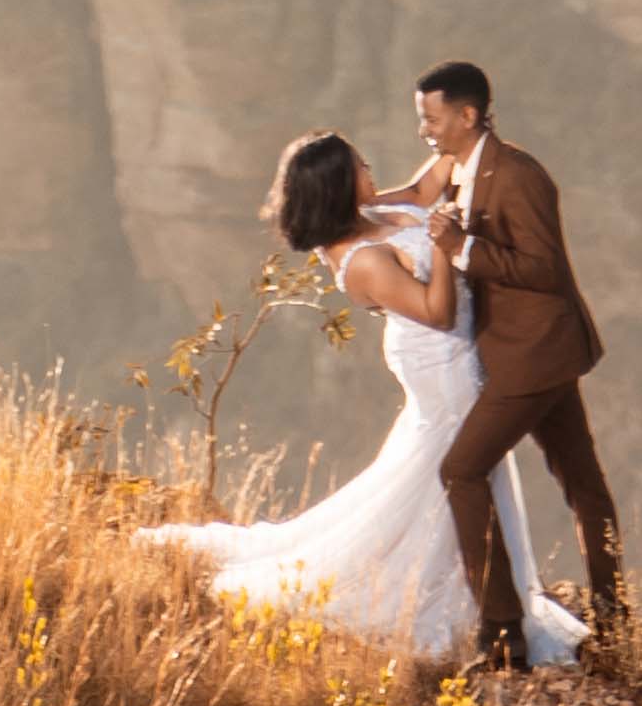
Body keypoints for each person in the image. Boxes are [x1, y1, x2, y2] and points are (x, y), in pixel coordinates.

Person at [147, 128, 587, 666]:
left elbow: (431, 183)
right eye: (361, 167)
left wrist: (461, 136)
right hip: (439, 362)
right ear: (338, 185)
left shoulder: (373, 214)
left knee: (444, 471)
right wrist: (448, 251)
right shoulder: (362, 261)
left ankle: (493, 599)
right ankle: (470, 606)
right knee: (454, 469)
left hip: (458, 359)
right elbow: (437, 312)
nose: (371, 173)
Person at [412, 55, 624, 669]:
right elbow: (418, 192)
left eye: (431, 117)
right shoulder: (461, 167)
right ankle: (615, 617)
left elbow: (543, 269)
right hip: (532, 352)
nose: (424, 129)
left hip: (532, 355)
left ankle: (503, 633)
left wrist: (461, 249)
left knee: (462, 471)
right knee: (582, 483)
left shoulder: (519, 176)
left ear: (468, 115)